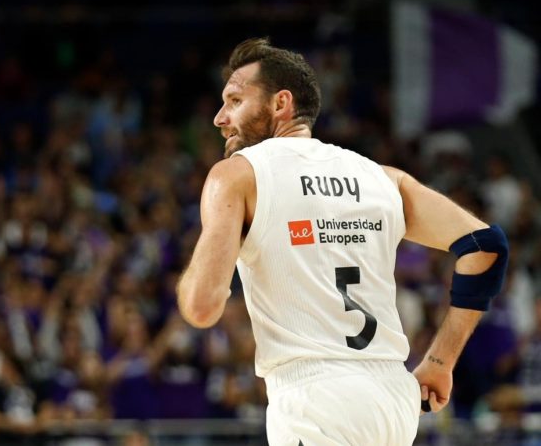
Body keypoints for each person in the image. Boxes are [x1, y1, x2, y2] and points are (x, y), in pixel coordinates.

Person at [176, 38, 509, 445]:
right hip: (393, 399)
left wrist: (190, 272)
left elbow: (202, 307)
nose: (219, 118)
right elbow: (485, 246)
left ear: (281, 103)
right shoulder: (382, 178)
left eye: (234, 101)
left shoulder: (237, 175)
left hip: (314, 398)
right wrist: (440, 361)